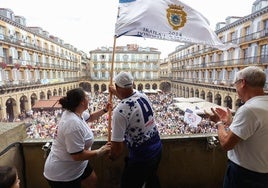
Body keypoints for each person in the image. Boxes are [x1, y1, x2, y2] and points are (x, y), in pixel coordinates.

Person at [211, 66, 268, 188]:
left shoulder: (249, 109)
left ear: (242, 83)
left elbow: (226, 144)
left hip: (245, 175)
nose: (235, 88)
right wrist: (231, 123)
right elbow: (255, 134)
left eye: (235, 84)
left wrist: (218, 122)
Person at [43, 88, 111, 188]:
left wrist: (105, 110)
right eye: (87, 97)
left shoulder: (76, 112)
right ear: (82, 102)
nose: (89, 99)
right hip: (63, 174)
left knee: (92, 181)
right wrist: (100, 151)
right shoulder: (72, 124)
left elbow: (91, 117)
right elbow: (77, 156)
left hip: (78, 166)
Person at [109, 71, 162, 188]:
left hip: (142, 156)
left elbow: (117, 148)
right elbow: (129, 101)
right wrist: (115, 91)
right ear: (133, 84)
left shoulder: (119, 111)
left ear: (117, 87)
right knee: (151, 179)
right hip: (157, 148)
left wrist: (112, 155)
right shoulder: (142, 95)